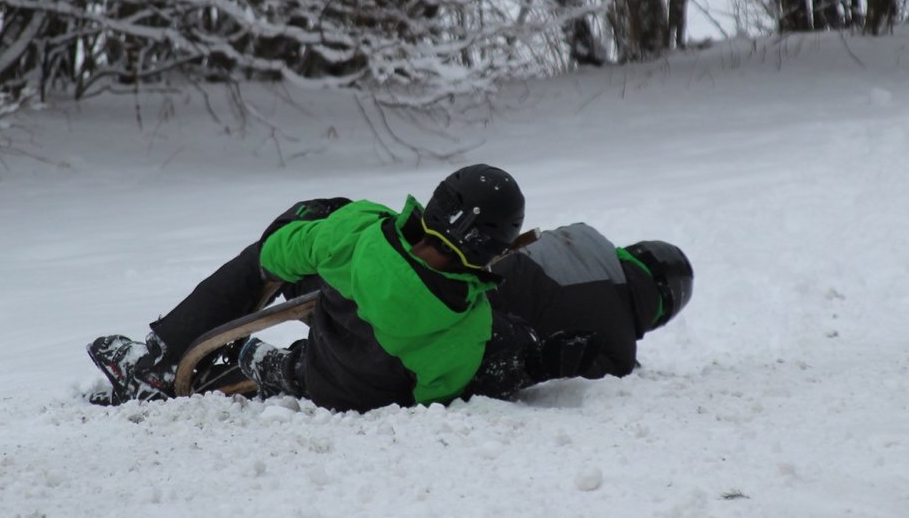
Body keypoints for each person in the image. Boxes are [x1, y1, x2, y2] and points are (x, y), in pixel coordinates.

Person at [89, 164, 526, 413]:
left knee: (288, 241)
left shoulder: (359, 232)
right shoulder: (469, 327)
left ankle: (159, 360)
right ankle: (279, 368)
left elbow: (275, 253)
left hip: (335, 310)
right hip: (332, 380)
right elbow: (430, 394)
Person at [465, 223, 694, 397]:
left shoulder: (583, 236)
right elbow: (572, 371)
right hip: (473, 334)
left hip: (459, 281)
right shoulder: (619, 351)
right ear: (661, 312)